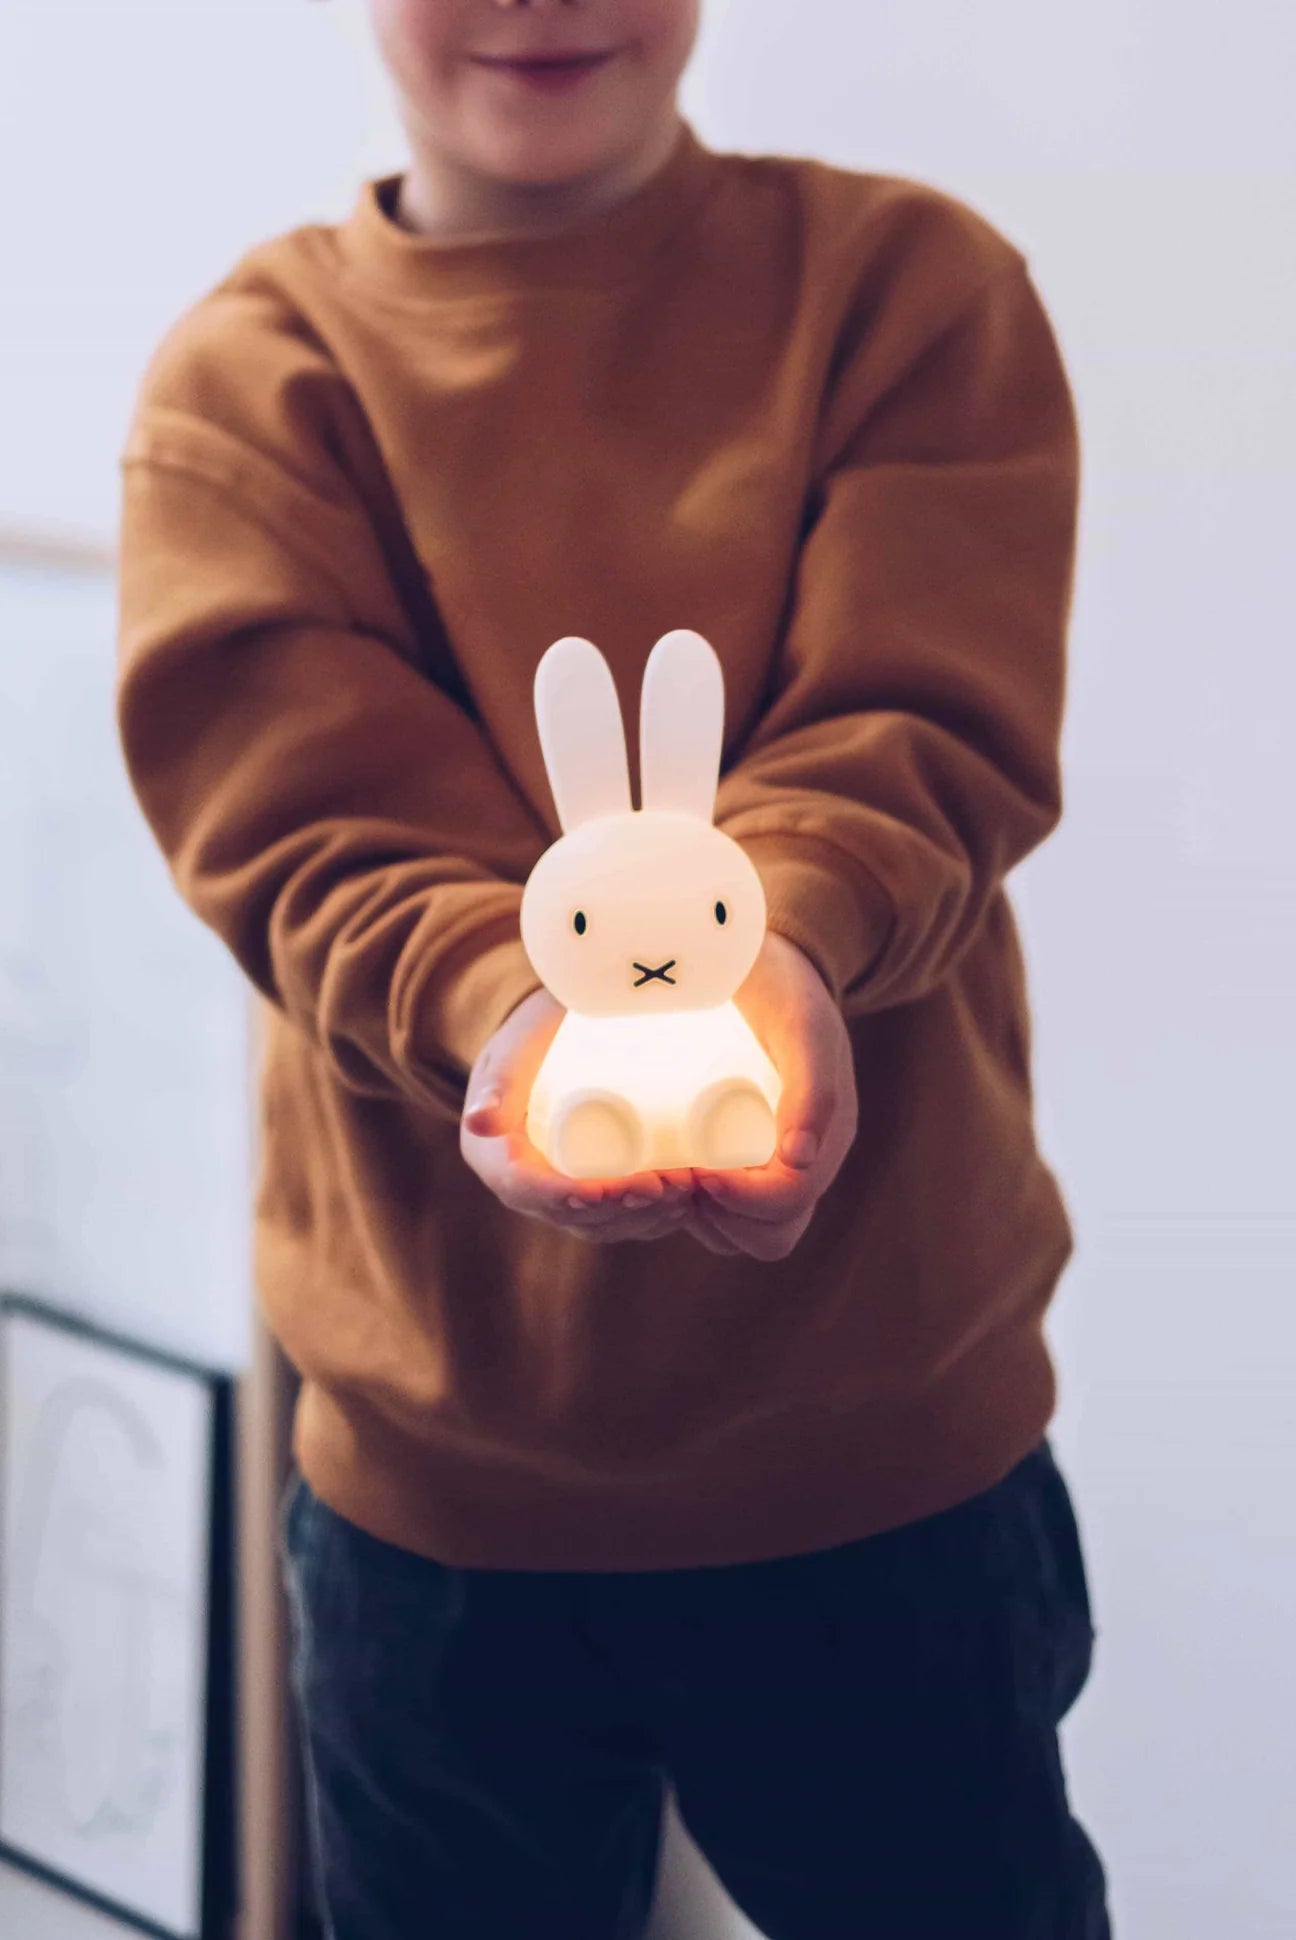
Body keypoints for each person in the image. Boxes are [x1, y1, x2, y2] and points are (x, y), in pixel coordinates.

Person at [113, 1, 1112, 1933]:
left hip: (883, 1456)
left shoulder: (909, 295)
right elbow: (304, 827)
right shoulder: (256, 387)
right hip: (436, 1504)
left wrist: (784, 943)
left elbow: (923, 728)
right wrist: (513, 1008)